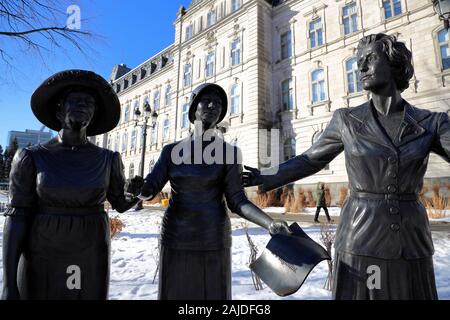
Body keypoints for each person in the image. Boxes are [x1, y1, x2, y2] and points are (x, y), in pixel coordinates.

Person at [242, 33, 450, 300]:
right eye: (358, 60)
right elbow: (310, 159)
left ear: (394, 62)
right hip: (360, 233)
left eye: (370, 59)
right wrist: (264, 176)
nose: (360, 67)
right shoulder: (347, 120)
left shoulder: (431, 123)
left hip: (411, 240)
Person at [139, 83, 291, 300]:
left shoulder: (230, 153)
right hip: (176, 236)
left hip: (213, 237)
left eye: (218, 103)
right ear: (193, 108)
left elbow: (237, 200)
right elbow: (150, 188)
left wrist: (269, 222)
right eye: (207, 100)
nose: (213, 105)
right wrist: (138, 188)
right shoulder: (171, 151)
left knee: (212, 293)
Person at [2, 70, 142, 300]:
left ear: (95, 114)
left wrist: (140, 193)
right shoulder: (31, 157)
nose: (82, 106)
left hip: (90, 251)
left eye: (88, 103)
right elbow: (16, 218)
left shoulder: (108, 159)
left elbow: (121, 203)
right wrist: (8, 284)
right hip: (42, 252)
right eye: (74, 101)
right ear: (59, 109)